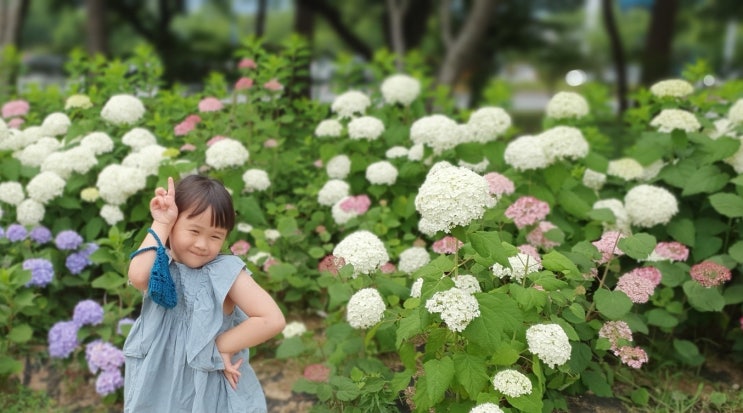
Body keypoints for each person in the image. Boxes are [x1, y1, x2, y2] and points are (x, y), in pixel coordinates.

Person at [123, 174, 286, 412]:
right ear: (174, 224)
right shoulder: (161, 265)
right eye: (194, 231)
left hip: (205, 381)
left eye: (215, 236)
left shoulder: (225, 273)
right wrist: (161, 223)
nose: (202, 244)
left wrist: (222, 345)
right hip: (158, 377)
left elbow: (272, 319)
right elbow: (137, 277)